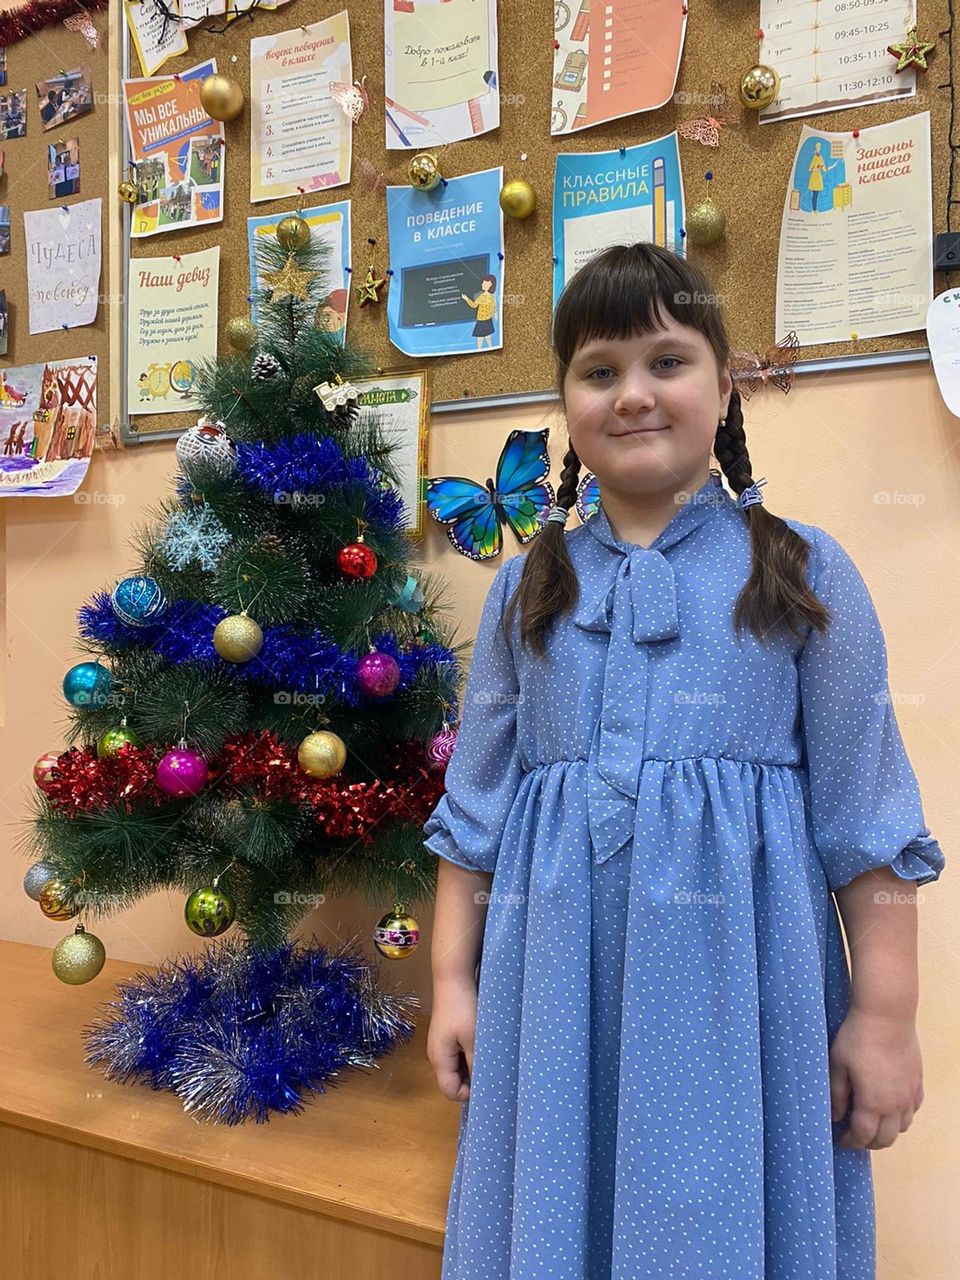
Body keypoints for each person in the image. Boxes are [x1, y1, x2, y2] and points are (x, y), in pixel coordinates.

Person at [424, 241, 945, 1280]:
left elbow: (869, 818)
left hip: (749, 1001)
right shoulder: (523, 590)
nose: (634, 394)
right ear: (564, 400)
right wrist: (450, 981)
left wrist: (885, 1020)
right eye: (599, 370)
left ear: (725, 383)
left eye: (667, 360)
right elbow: (473, 810)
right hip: (554, 997)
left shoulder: (802, 573)